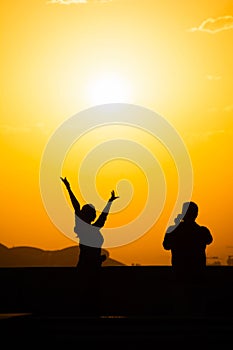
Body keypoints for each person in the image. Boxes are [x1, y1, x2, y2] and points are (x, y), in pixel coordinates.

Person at [162, 201, 213, 283]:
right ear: (196, 214)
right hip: (197, 274)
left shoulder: (174, 230)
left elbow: (166, 245)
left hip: (179, 274)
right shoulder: (202, 231)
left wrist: (176, 224)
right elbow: (209, 240)